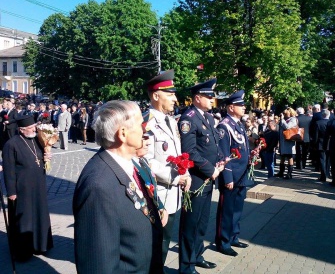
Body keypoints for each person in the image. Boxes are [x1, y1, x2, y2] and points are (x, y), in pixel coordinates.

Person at [73, 100, 164, 274]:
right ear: (122, 133)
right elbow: (98, 265)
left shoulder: (129, 164)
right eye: (140, 124)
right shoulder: (98, 186)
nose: (144, 129)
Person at [144, 69, 192, 267]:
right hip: (159, 195)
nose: (175, 98)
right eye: (170, 94)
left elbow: (178, 154)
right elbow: (145, 161)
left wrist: (186, 173)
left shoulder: (171, 121)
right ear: (156, 95)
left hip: (173, 195)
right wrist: (175, 178)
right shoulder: (147, 122)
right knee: (155, 247)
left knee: (163, 245)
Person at [178, 78, 224, 274]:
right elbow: (189, 151)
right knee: (190, 224)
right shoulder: (188, 118)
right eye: (208, 96)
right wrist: (210, 169)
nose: (212, 99)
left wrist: (220, 160)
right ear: (197, 98)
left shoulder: (205, 116)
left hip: (208, 178)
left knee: (202, 222)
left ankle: (197, 256)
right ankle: (186, 266)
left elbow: (211, 144)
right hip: (197, 179)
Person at [2, 114, 53, 261]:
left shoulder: (37, 140)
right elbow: (8, 170)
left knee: (39, 215)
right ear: (21, 129)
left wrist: (46, 157)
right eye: (30, 128)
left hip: (38, 186)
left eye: (34, 127)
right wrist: (11, 191)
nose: (34, 130)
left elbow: (40, 158)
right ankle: (24, 251)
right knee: (25, 219)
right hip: (21, 189)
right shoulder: (11, 144)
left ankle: (40, 245)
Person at [215, 90, 252, 257]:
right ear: (231, 107)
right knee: (227, 211)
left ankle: (234, 235)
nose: (244, 107)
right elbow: (224, 154)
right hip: (232, 176)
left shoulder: (238, 124)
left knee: (237, 208)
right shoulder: (224, 126)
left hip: (242, 174)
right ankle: (223, 241)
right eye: (240, 105)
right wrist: (227, 177)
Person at [276, 107, 298, 179]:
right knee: (282, 156)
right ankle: (281, 172)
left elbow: (288, 127)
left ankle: (289, 173)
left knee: (289, 157)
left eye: (286, 113)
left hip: (289, 141)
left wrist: (282, 120)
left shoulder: (293, 119)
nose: (284, 115)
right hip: (283, 141)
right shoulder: (284, 119)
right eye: (284, 113)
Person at [313, 109, 331, 181]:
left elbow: (316, 135)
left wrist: (314, 143)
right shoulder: (331, 122)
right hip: (330, 143)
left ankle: (323, 176)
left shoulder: (318, 123)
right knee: (328, 160)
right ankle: (327, 173)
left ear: (322, 115)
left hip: (321, 143)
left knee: (322, 160)